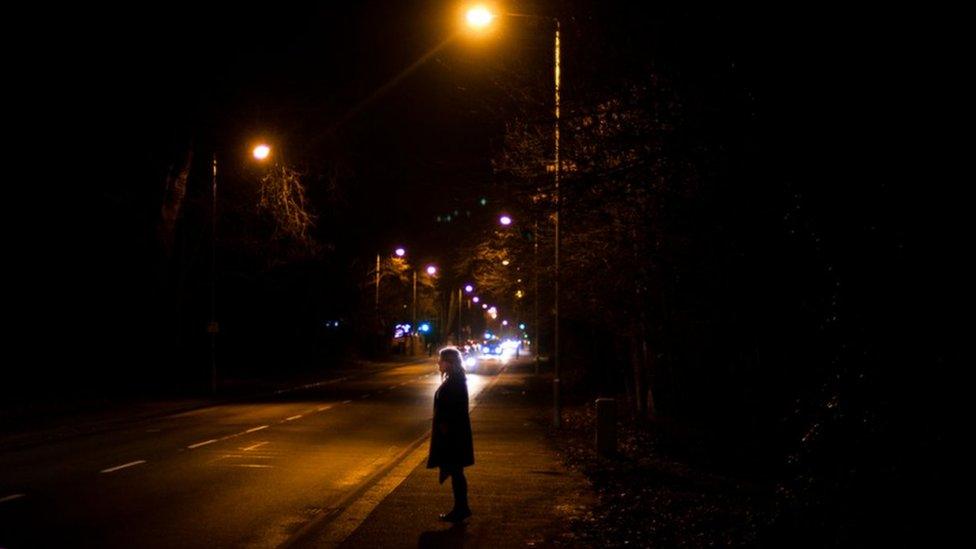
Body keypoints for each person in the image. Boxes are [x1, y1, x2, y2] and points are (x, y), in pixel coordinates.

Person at [426, 347, 474, 522]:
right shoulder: (455, 380)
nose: (438, 363)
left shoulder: (455, 382)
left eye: (441, 360)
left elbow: (453, 410)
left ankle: (461, 509)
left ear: (449, 362)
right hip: (455, 434)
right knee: (456, 472)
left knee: (456, 471)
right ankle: (461, 507)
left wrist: (445, 428)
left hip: (453, 436)